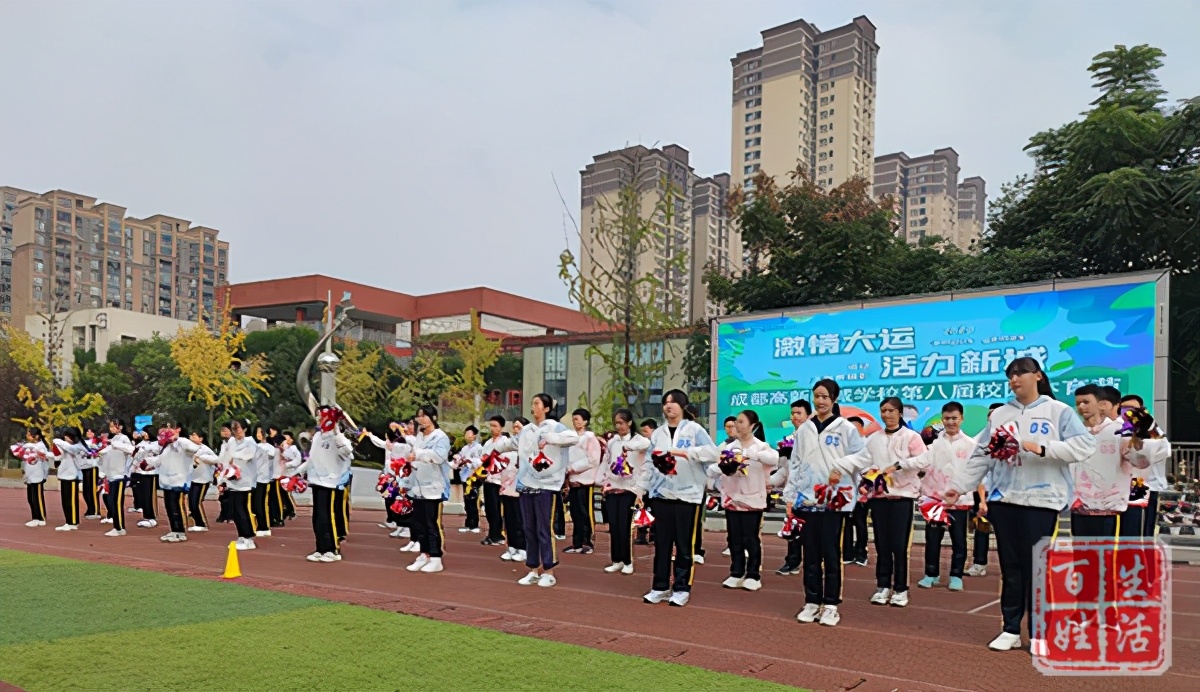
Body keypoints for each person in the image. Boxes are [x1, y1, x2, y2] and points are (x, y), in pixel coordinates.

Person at [945, 357, 1095, 651]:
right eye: (1010, 375)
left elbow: (1084, 446)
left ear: (1037, 376)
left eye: (1020, 374)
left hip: (1042, 502)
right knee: (1010, 567)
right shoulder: (1000, 414)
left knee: (1036, 568)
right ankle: (1011, 629)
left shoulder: (1058, 411)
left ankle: (1040, 633)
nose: (1014, 380)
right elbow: (982, 455)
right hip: (1005, 500)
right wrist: (959, 487)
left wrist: (1042, 448)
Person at [783, 379, 870, 627]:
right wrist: (790, 496)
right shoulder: (805, 429)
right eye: (817, 396)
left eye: (825, 396)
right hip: (807, 500)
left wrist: (840, 467)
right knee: (810, 554)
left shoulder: (845, 428)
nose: (820, 401)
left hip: (834, 501)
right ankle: (812, 601)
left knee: (831, 553)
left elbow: (864, 456)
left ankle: (831, 605)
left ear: (834, 399)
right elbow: (796, 463)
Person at [638, 389, 717, 608]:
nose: (668, 406)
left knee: (684, 545)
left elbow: (713, 453)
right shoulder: (658, 434)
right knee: (662, 544)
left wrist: (686, 453)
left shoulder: (694, 430)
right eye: (665, 402)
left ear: (682, 406)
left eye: (673, 402)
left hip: (687, 496)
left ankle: (682, 588)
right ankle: (660, 586)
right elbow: (648, 463)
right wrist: (640, 489)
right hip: (661, 495)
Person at [493, 394, 578, 587]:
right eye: (532, 403)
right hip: (526, 485)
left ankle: (549, 571)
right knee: (529, 528)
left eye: (537, 403)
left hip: (547, 486)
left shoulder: (555, 427)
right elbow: (512, 444)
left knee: (543, 529)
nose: (533, 406)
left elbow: (573, 438)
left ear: (546, 408)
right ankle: (533, 568)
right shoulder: (527, 430)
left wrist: (550, 438)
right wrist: (495, 447)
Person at [863, 397, 929, 608]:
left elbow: (924, 461)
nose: (886, 415)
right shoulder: (873, 439)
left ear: (900, 413)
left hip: (902, 498)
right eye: (883, 410)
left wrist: (899, 465)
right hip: (879, 499)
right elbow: (864, 463)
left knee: (899, 546)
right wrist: (869, 477)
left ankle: (900, 589)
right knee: (881, 544)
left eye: (891, 411)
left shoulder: (911, 437)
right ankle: (882, 586)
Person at [704, 410, 778, 591]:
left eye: (741, 421)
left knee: (750, 538)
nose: (737, 425)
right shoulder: (729, 447)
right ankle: (736, 572)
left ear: (753, 425)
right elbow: (717, 467)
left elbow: (774, 459)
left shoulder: (761, 447)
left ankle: (753, 574)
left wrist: (752, 455)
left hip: (752, 500)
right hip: (732, 499)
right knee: (734, 538)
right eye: (736, 421)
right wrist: (719, 468)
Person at [916, 402, 977, 591]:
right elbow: (921, 464)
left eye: (954, 418)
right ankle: (931, 574)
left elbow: (976, 472)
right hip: (935, 500)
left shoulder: (970, 445)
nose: (951, 422)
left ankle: (956, 575)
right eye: (947, 418)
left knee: (959, 540)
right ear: (942, 419)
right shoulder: (933, 445)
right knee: (933, 540)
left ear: (962, 419)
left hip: (959, 501)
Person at [1070, 385, 1145, 538]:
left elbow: (1140, 460)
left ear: (1102, 404)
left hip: (1107, 509)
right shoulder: (1075, 431)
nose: (1081, 407)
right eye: (1078, 403)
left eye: (1086, 402)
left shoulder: (1122, 431)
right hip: (1080, 507)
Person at [295, 407, 353, 561]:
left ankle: (332, 550)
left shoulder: (338, 437)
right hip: (316, 481)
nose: (319, 419)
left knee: (328, 516)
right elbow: (312, 459)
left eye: (322, 416)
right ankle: (320, 548)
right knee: (318, 517)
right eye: (319, 417)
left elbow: (347, 452)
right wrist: (296, 473)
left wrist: (335, 431)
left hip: (331, 482)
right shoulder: (318, 436)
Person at [402, 405, 452, 573]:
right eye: (419, 416)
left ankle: (436, 557)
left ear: (433, 417)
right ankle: (424, 554)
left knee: (432, 524)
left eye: (424, 415)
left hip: (434, 488)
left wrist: (419, 455)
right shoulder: (420, 436)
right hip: (418, 487)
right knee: (419, 523)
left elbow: (439, 457)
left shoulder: (440, 437)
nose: (421, 419)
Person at [600, 408, 649, 575]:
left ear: (629, 423)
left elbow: (646, 444)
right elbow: (606, 462)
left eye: (622, 423)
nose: (619, 426)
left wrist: (628, 446)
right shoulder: (613, 442)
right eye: (616, 423)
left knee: (624, 526)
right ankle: (616, 560)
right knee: (614, 526)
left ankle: (628, 561)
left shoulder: (638, 440)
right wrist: (604, 481)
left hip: (629, 489)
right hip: (613, 488)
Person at [1118, 394, 1172, 537]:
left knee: (1143, 532)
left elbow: (1164, 449)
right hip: (1120, 490)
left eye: (1133, 409)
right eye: (1124, 409)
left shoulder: (1151, 427)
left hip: (1147, 488)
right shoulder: (1118, 428)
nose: (1129, 413)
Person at [965, 403, 1004, 577]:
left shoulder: (1014, 438)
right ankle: (979, 563)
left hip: (1005, 494)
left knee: (1007, 532)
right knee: (981, 529)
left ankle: (1010, 565)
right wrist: (981, 498)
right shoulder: (978, 440)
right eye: (990, 415)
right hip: (983, 492)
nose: (992, 418)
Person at [773, 400, 811, 575]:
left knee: (812, 529)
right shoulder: (788, 440)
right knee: (792, 526)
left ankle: (813, 562)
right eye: (793, 413)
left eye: (799, 413)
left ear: (808, 416)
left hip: (811, 491)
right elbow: (784, 469)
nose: (795, 416)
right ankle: (792, 561)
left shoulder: (814, 437)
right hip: (793, 491)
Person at [144, 425, 195, 542]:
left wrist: (177, 439)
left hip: (178, 481)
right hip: (167, 482)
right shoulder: (166, 448)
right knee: (170, 507)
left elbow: (194, 448)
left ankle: (180, 532)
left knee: (176, 507)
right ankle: (174, 530)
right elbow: (160, 460)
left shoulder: (182, 444)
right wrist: (148, 463)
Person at [366, 424, 414, 539]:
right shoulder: (395, 446)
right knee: (394, 501)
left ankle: (406, 527)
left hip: (404, 479)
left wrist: (401, 432)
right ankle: (400, 525)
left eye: (388, 438)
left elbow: (385, 444)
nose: (386, 441)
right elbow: (381, 443)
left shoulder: (403, 446)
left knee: (403, 503)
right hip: (394, 478)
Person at [565, 408, 602, 555]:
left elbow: (593, 459)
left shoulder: (590, 438)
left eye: (578, 419)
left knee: (585, 512)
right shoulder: (572, 437)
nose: (575, 422)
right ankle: (577, 543)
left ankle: (588, 542)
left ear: (585, 421)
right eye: (574, 419)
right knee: (575, 513)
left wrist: (573, 468)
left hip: (585, 481)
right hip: (573, 480)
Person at [223, 419, 261, 551]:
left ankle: (249, 538)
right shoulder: (231, 442)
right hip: (232, 480)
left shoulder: (250, 442)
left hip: (245, 482)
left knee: (242, 509)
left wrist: (233, 455)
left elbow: (248, 456)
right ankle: (241, 535)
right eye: (233, 429)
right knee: (234, 511)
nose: (235, 431)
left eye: (238, 428)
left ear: (245, 429)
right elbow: (226, 458)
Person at [98, 419, 136, 537]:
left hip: (120, 475)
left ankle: (119, 528)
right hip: (111, 475)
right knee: (111, 501)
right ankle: (117, 526)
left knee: (117, 502)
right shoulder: (114, 439)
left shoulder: (123, 438)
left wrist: (114, 444)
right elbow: (106, 453)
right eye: (110, 426)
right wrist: (98, 452)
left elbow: (130, 449)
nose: (111, 429)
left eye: (113, 426)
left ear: (120, 427)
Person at [497, 418, 527, 562]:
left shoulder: (528, 447)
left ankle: (523, 548)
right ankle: (512, 547)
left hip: (520, 489)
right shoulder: (506, 447)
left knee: (521, 520)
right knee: (509, 520)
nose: (516, 430)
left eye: (519, 427)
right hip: (506, 489)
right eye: (514, 427)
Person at [50, 428, 87, 531]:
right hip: (64, 475)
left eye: (68, 436)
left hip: (72, 476)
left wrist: (57, 441)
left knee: (71, 501)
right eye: (65, 435)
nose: (65, 438)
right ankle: (68, 521)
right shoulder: (66, 446)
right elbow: (58, 456)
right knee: (65, 500)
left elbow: (70, 448)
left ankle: (73, 522)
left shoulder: (78, 446)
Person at [480, 416, 508, 546]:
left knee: (497, 509)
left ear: (501, 427)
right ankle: (492, 533)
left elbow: (505, 460)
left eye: (495, 426)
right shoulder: (488, 443)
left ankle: (498, 534)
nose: (492, 428)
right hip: (488, 479)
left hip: (499, 480)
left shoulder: (505, 442)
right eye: (491, 426)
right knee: (490, 508)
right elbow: (483, 458)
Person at [187, 430, 219, 532]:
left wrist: (201, 457)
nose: (191, 437)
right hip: (193, 479)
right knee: (191, 502)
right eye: (191, 435)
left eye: (194, 435)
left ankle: (202, 524)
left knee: (196, 502)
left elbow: (216, 459)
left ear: (201, 438)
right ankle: (196, 522)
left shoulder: (205, 449)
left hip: (203, 480)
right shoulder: (189, 448)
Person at [18, 429, 50, 527]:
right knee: (31, 498)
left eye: (29, 434)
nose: (27, 436)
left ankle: (41, 518)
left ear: (36, 436)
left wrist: (45, 475)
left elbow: (45, 460)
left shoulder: (41, 446)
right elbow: (25, 460)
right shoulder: (28, 446)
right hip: (30, 476)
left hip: (38, 475)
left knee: (37, 498)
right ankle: (35, 517)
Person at [455, 425, 484, 534]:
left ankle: (474, 524)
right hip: (465, 477)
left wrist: (469, 462)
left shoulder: (478, 448)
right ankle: (468, 523)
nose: (467, 436)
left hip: (473, 478)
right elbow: (460, 459)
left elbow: (480, 461)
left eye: (469, 433)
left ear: (474, 436)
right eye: (466, 434)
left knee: (473, 500)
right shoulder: (465, 448)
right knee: (467, 501)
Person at [635, 419, 659, 546]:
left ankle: (654, 534)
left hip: (656, 485)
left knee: (655, 510)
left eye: (646, 431)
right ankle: (641, 534)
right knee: (642, 508)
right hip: (644, 483)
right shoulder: (643, 446)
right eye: (642, 432)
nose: (644, 434)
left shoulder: (658, 445)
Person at [250, 426, 278, 538]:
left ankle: (265, 527)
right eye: (257, 432)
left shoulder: (269, 447)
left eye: (261, 432)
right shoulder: (254, 446)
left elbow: (272, 455)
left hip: (263, 479)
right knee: (254, 504)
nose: (259, 434)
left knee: (261, 503)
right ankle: (258, 525)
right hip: (253, 479)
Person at [131, 428, 160, 529]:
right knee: (142, 495)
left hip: (150, 473)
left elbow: (156, 452)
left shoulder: (156, 444)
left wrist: (144, 448)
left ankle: (152, 517)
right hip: (140, 472)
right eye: (144, 433)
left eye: (146, 432)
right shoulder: (140, 444)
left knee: (149, 495)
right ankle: (146, 516)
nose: (144, 435)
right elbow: (135, 456)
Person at [79, 428, 102, 521]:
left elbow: (99, 452)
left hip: (93, 467)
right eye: (87, 431)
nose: (88, 433)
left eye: (91, 431)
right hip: (84, 467)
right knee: (86, 491)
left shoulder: (98, 442)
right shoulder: (83, 442)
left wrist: (93, 450)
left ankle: (95, 511)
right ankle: (90, 508)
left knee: (92, 490)